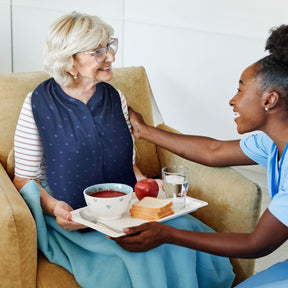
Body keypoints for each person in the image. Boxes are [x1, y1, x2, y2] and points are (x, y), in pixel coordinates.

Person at [13, 12, 234, 288]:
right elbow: (25, 179)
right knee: (142, 255)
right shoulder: (37, 103)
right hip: (79, 218)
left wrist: (147, 187)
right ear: (70, 61)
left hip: (129, 207)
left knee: (184, 235)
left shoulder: (115, 96)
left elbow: (127, 164)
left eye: (110, 46)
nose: (111, 57)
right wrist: (55, 207)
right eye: (98, 51)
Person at [111, 24, 288, 287]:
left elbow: (257, 243)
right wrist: (144, 131)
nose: (232, 100)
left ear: (269, 100)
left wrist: (168, 234)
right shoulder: (271, 142)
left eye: (240, 89)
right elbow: (213, 151)